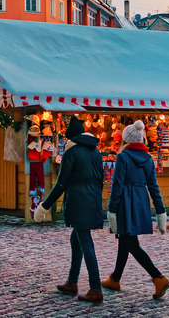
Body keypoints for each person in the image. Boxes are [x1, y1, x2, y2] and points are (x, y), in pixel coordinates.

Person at [34, 116, 105, 304]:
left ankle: (96, 289)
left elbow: (61, 184)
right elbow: (100, 181)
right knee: (77, 239)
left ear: (71, 137)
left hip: (79, 203)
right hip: (93, 201)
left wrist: (44, 206)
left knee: (86, 243)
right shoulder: (96, 152)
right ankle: (72, 282)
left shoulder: (71, 153)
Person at [100, 121, 169, 299]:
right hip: (140, 201)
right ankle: (115, 279)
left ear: (125, 139)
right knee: (125, 240)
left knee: (130, 243)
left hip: (125, 201)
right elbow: (154, 187)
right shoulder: (148, 159)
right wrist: (161, 212)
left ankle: (158, 277)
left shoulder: (123, 156)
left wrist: (112, 210)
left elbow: (117, 185)